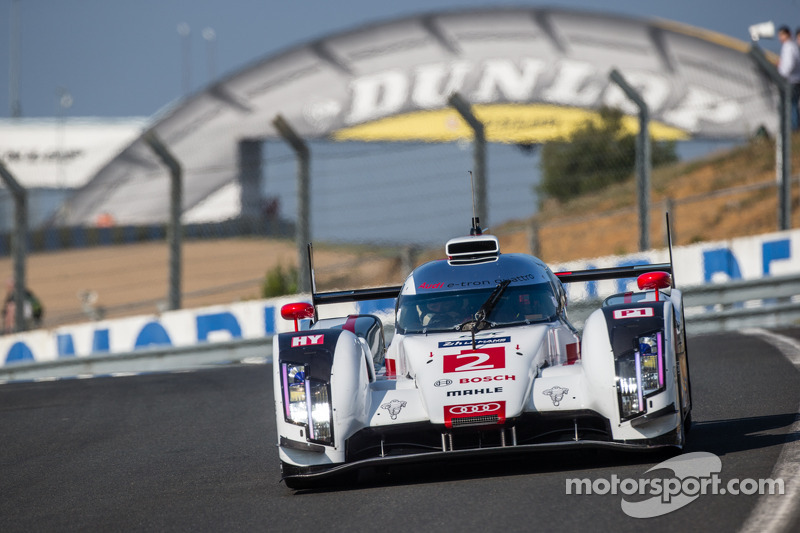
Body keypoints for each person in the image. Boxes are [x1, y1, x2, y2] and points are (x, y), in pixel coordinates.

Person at [777, 25, 800, 130]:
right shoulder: (795, 46)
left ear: (788, 34)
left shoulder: (788, 46)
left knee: (791, 106)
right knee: (794, 105)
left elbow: (789, 64)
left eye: (782, 35)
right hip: (796, 80)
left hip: (791, 80)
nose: (780, 38)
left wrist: (781, 74)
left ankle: (793, 129)